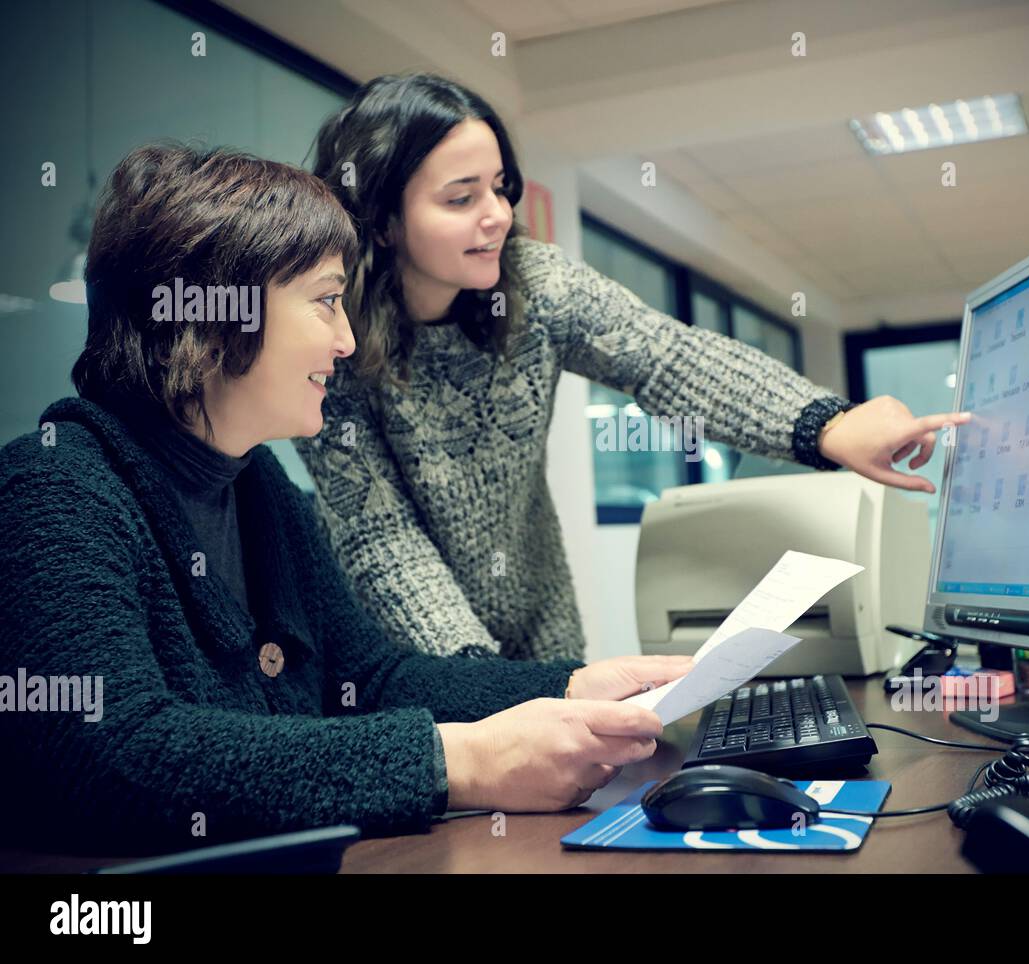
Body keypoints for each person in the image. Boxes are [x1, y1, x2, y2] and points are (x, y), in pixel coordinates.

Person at [0, 143, 691, 855]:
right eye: (327, 302)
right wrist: (460, 762)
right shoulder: (55, 489)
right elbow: (116, 755)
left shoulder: (261, 490)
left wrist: (575, 686)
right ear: (213, 312)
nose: (347, 339)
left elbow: (373, 679)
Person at [297, 72, 970, 662]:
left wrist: (828, 424)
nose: (498, 216)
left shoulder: (536, 285)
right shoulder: (332, 343)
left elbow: (666, 357)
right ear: (383, 221)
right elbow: (382, 541)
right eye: (460, 198)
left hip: (542, 626)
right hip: (402, 663)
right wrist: (484, 687)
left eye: (502, 189)